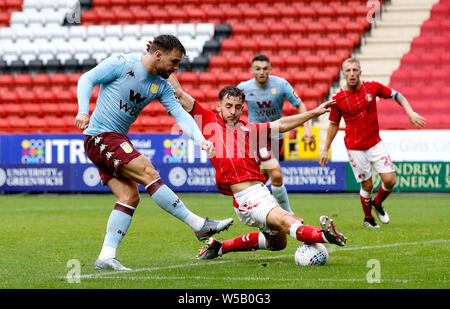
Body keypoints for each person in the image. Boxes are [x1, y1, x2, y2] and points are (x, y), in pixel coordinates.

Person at [74, 35, 233, 271]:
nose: (176, 68)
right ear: (158, 54)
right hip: (101, 136)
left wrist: (201, 140)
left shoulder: (161, 86)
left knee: (129, 197)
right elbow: (86, 79)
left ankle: (106, 257)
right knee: (148, 171)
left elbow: (180, 116)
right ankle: (199, 225)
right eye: (174, 62)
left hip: (113, 139)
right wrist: (82, 111)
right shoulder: (122, 63)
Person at [167, 74, 347, 261]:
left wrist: (313, 113)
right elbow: (179, 94)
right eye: (228, 106)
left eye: (238, 107)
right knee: (287, 220)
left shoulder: (248, 129)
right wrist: (163, 61)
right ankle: (325, 235)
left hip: (261, 193)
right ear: (218, 107)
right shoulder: (209, 123)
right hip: (247, 197)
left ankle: (220, 248)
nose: (233, 111)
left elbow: (280, 125)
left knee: (278, 244)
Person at [319, 58, 426, 228]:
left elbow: (397, 95)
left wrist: (410, 112)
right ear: (343, 73)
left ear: (360, 72)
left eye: (355, 70)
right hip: (355, 148)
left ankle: (377, 204)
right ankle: (368, 219)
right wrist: (325, 148)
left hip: (375, 143)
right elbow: (333, 124)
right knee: (367, 185)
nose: (352, 74)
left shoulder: (372, 87)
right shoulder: (338, 98)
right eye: (348, 70)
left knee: (390, 181)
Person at [237, 54, 315, 215]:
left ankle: (249, 206)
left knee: (261, 179)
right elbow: (229, 105)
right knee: (276, 174)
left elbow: (300, 105)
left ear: (270, 69)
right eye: (258, 69)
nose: (262, 72)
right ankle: (288, 214)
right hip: (257, 136)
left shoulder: (281, 84)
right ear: (251, 71)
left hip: (276, 137)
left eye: (265, 69)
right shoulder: (244, 87)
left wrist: (306, 128)